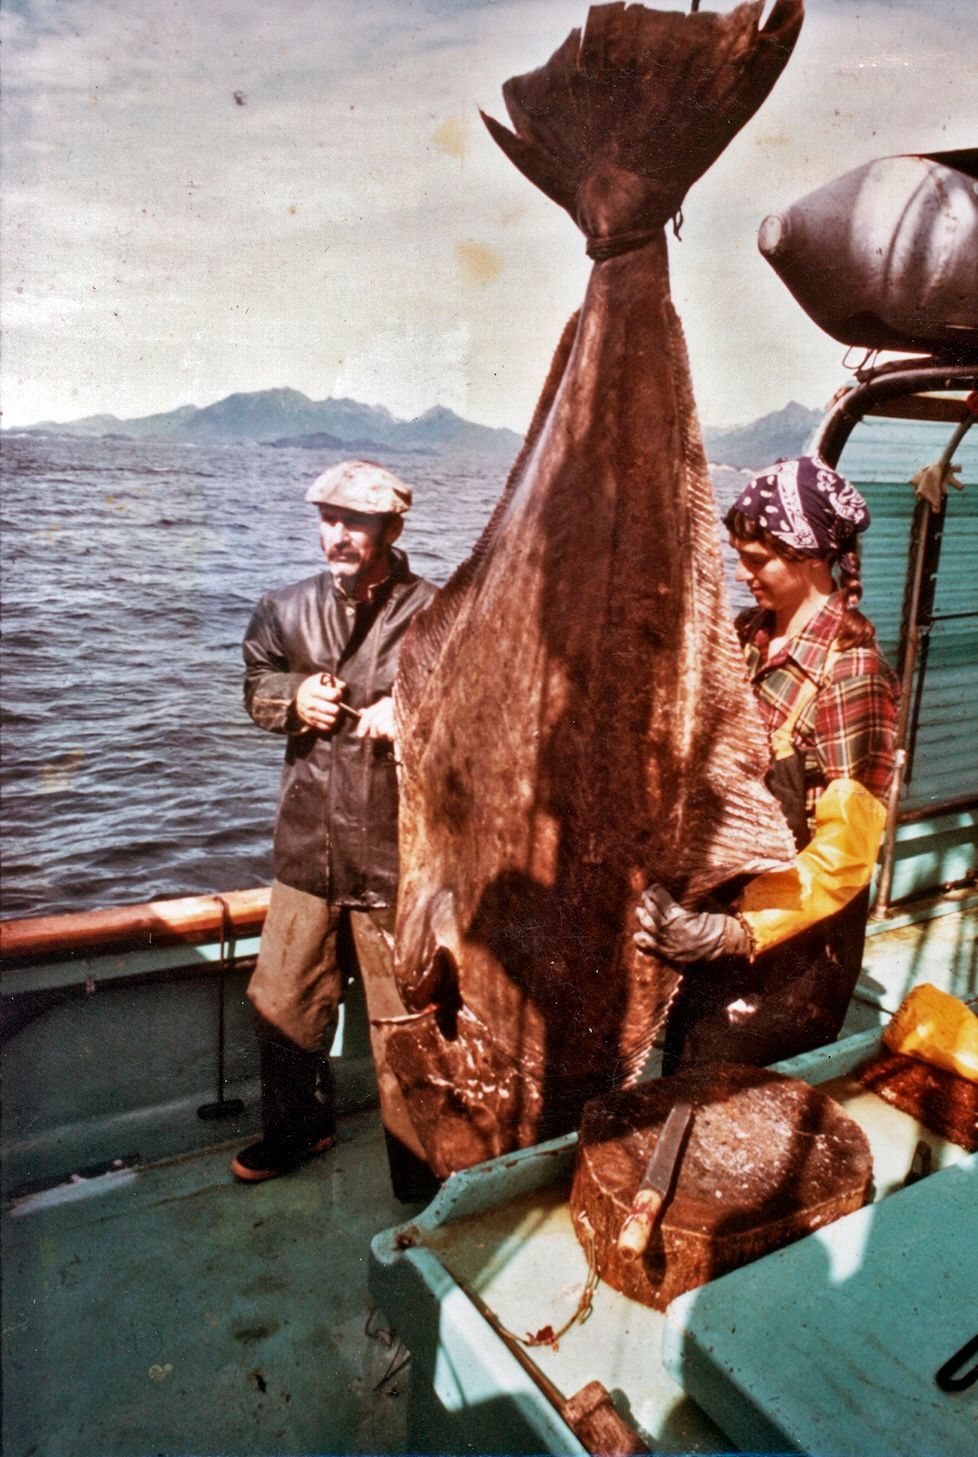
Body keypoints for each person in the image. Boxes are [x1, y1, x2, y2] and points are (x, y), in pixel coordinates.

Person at [635, 455, 899, 1070]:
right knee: (686, 1066)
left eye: (757, 561)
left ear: (809, 557)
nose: (742, 574)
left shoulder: (851, 674)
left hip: (792, 953)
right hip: (716, 907)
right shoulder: (745, 638)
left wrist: (738, 932)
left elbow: (848, 852)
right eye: (738, 557)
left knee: (731, 1095)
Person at [232, 460, 437, 1186]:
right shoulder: (283, 607)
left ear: (392, 529)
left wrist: (409, 714)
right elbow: (254, 680)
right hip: (308, 845)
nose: (338, 535)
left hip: (396, 851)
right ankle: (296, 1134)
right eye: (329, 519)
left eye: (355, 522)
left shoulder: (436, 613)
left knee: (403, 1017)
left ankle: (421, 1166)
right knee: (281, 1000)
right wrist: (292, 697)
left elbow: (478, 707)